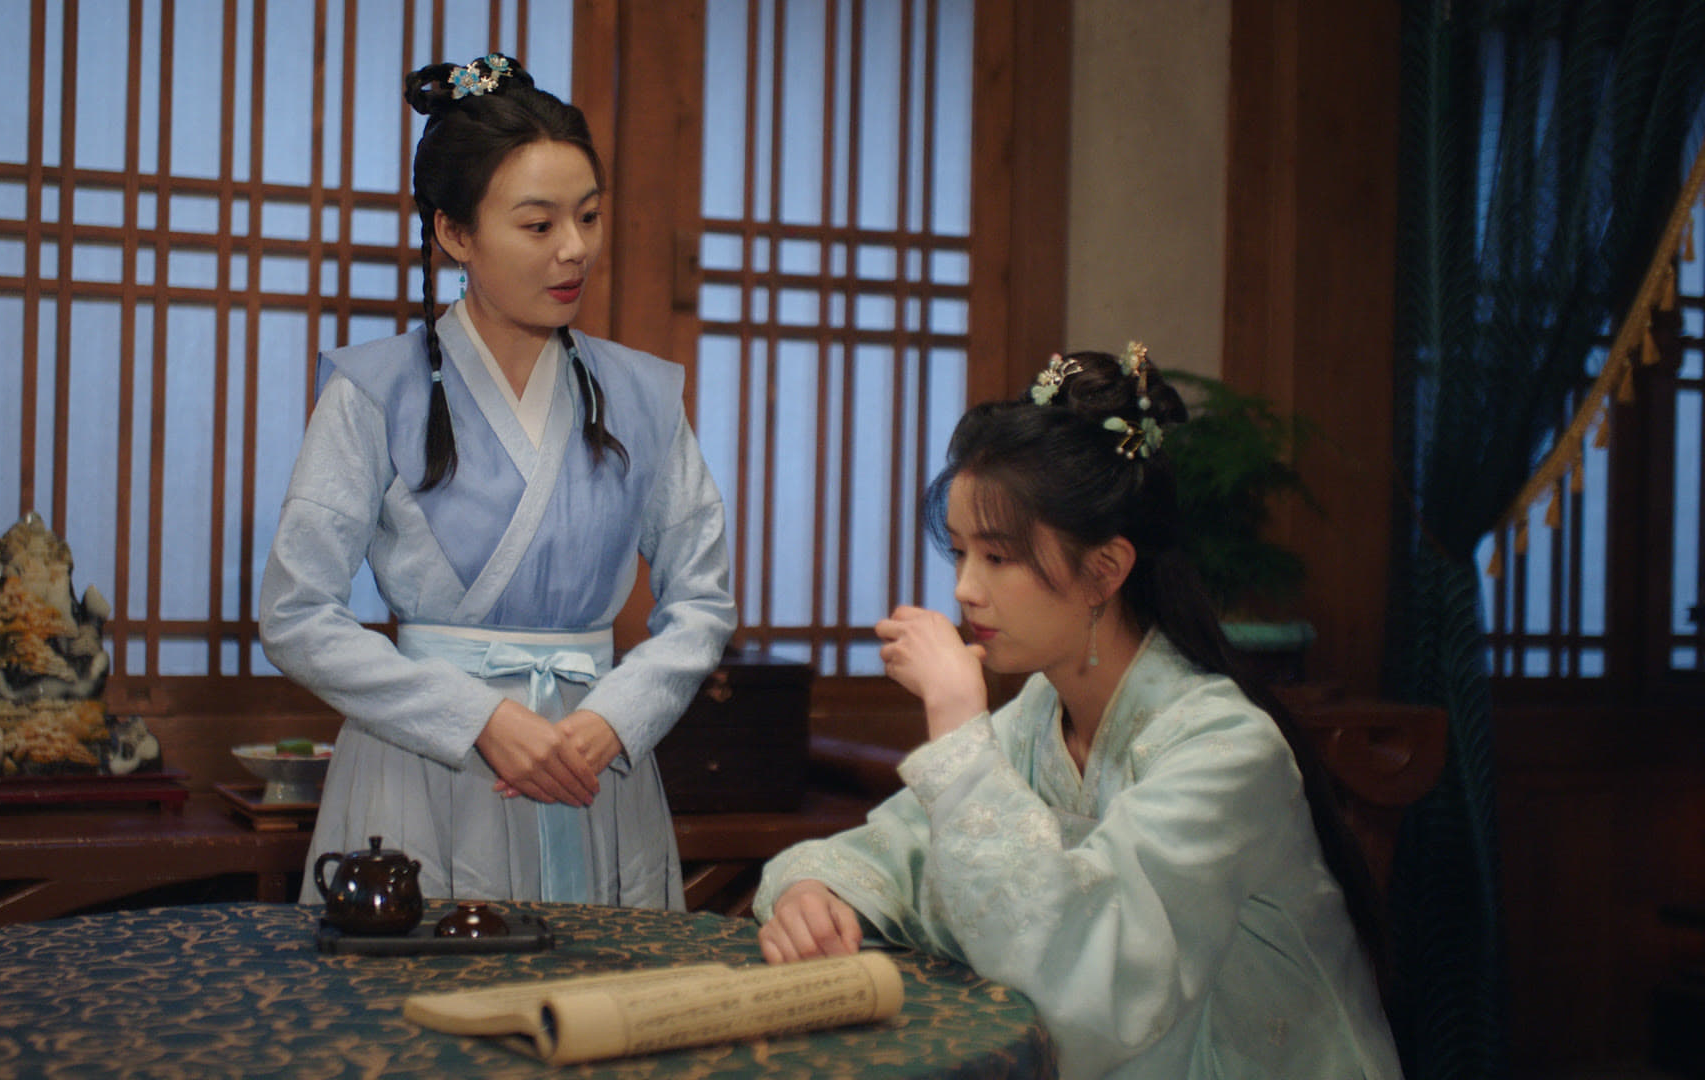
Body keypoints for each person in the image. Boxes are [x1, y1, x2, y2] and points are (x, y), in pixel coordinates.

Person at [754, 345, 1402, 1077]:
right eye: (960, 553)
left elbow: (1094, 991)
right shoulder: (1040, 714)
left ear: (1105, 570)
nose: (964, 588)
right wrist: (816, 891)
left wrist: (958, 721)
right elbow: (905, 851)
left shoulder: (1225, 750)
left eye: (998, 558)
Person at [260, 54, 736, 910]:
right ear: (455, 234)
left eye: (588, 216)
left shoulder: (642, 396)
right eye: (538, 223)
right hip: (426, 764)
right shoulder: (373, 391)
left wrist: (616, 718)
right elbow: (297, 615)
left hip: (593, 766)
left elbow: (702, 600)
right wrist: (476, 717)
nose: (575, 248)